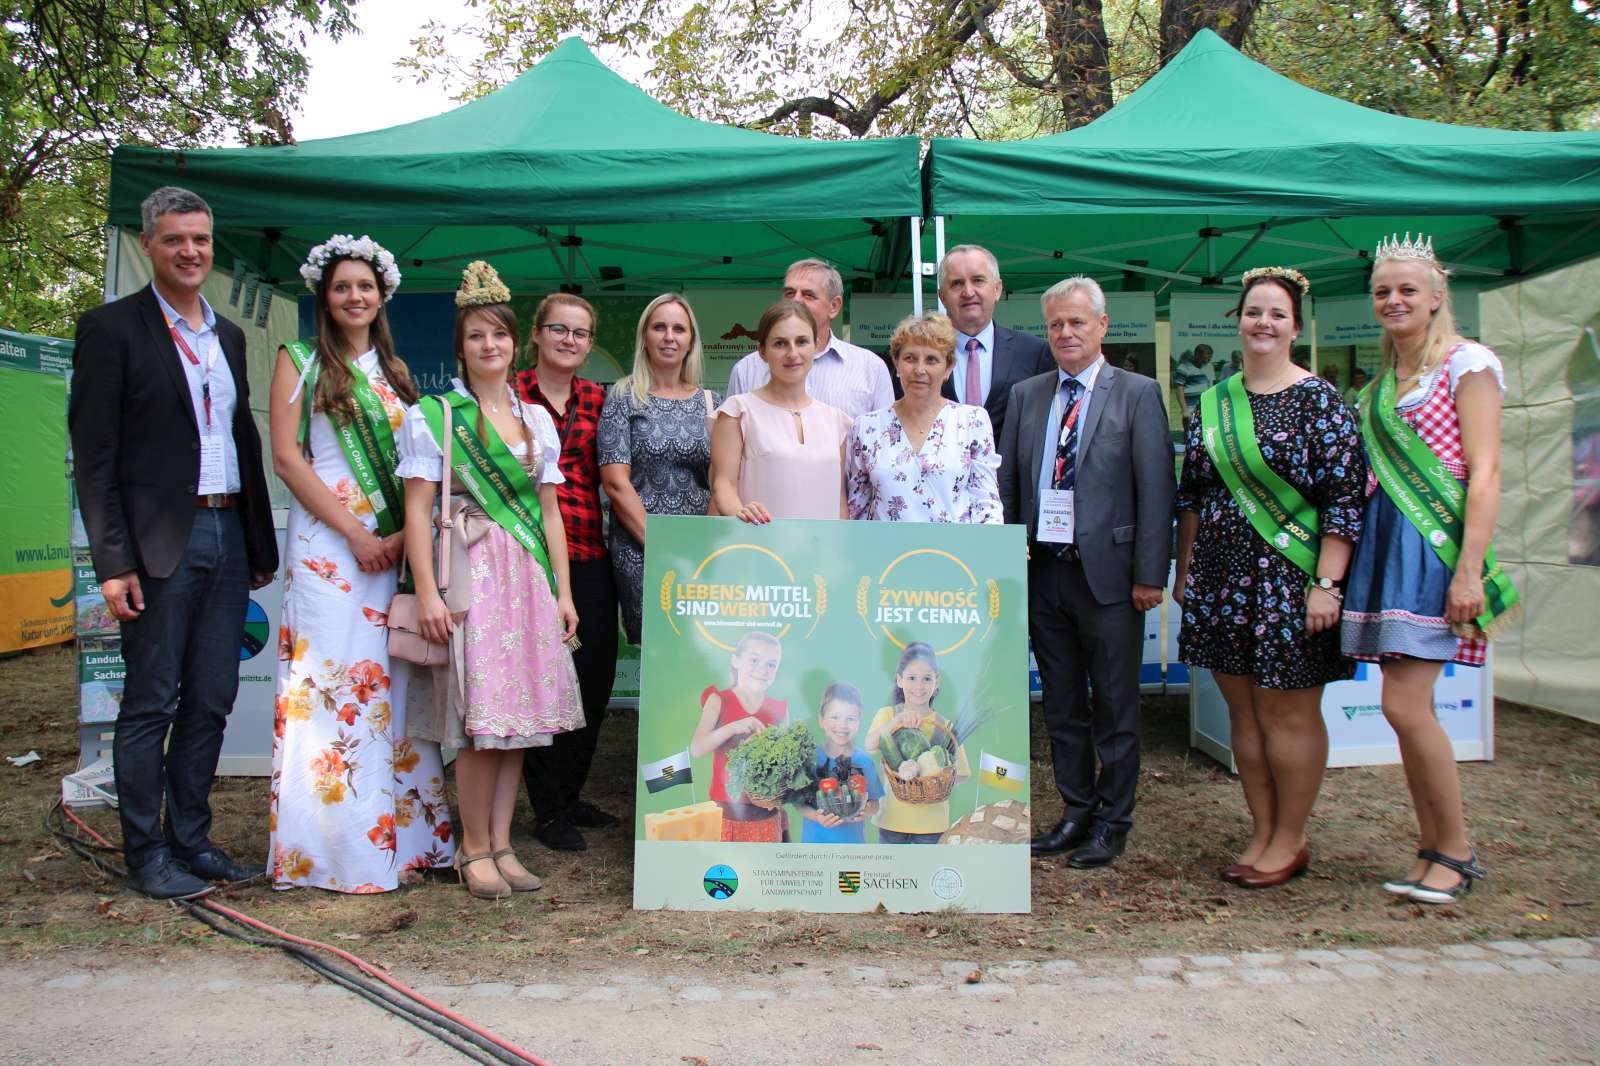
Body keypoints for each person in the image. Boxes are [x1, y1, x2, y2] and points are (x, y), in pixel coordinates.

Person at [69, 186, 278, 900]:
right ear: (149, 244)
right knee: (152, 703)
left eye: (201, 240)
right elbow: (94, 457)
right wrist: (113, 561)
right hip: (160, 544)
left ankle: (192, 840)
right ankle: (146, 853)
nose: (190, 252)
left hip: (225, 533)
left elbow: (240, 442)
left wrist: (256, 544)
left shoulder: (228, 336)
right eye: (174, 240)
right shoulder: (111, 329)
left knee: (213, 699)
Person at [266, 235, 453, 892]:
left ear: (382, 298)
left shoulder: (395, 374)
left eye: (365, 288)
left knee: (389, 695)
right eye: (342, 287)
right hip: (331, 551)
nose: (354, 297)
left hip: (391, 551)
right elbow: (288, 459)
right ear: (325, 295)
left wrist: (403, 536)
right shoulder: (300, 362)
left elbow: (416, 471)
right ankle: (334, 854)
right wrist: (356, 532)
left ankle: (405, 845)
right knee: (334, 692)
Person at [1171, 267, 1366, 890]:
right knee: (1245, 718)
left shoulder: (1321, 401)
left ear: (1295, 327)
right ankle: (1261, 830)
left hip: (1293, 578)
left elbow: (1344, 500)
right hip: (1223, 577)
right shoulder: (1212, 403)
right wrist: (1187, 570)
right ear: (1239, 320)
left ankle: (1291, 836)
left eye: (1277, 315)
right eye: (1254, 312)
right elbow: (1194, 495)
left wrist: (1327, 583)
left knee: (1289, 715)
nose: (1263, 323)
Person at [1341, 233, 1520, 905]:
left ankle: (1457, 852)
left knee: (1404, 704)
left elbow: (1486, 472)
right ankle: (1433, 847)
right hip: (1389, 544)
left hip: (1433, 548)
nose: (1393, 300)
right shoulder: (1383, 385)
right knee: (1402, 708)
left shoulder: (1466, 364)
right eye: (1383, 291)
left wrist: (1469, 569)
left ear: (1438, 296)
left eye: (1407, 290)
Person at [397, 260, 584, 900]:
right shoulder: (435, 416)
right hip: (472, 578)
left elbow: (552, 515)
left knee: (518, 721)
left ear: (515, 342)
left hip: (527, 577)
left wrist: (562, 591)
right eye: (477, 336)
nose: (490, 346)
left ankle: (502, 842)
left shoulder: (537, 421)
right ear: (461, 346)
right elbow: (416, 510)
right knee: (481, 722)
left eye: (499, 335)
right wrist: (427, 592)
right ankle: (470, 848)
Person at [998, 275, 1175, 870]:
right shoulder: (1027, 394)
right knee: (1062, 703)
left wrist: (1151, 575)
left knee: (1116, 705)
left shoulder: (1138, 393)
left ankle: (1112, 821)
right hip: (1045, 573)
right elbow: (1012, 485)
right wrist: (1008, 553)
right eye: (1055, 324)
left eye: (1077, 322)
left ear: (1102, 326)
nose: (1066, 333)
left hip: (1112, 577)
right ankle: (1074, 811)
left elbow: (1157, 490)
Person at [514, 294, 621, 853]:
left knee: (594, 679)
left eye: (581, 334)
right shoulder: (508, 394)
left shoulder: (601, 399)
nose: (570, 341)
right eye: (559, 329)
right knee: (542, 680)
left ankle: (572, 791)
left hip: (589, 554)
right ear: (536, 333)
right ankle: (548, 808)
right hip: (526, 555)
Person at [599, 294, 720, 644]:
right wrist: (661, 548)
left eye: (679, 329)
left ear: (691, 341)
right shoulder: (623, 396)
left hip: (699, 550)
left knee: (701, 645)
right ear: (645, 337)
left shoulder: (712, 402)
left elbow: (721, 481)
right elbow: (615, 482)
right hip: (641, 550)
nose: (669, 336)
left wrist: (700, 548)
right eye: (659, 327)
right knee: (657, 650)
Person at [846, 312, 1002, 525]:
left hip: (953, 555)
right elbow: (858, 507)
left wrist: (997, 550)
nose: (920, 370)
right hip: (887, 556)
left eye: (931, 360)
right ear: (897, 363)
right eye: (910, 358)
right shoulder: (866, 426)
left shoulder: (972, 421)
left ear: (948, 368)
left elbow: (986, 504)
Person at [711, 300, 852, 523]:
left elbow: (839, 501)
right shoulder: (738, 412)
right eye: (780, 344)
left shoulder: (836, 421)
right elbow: (723, 484)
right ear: (762, 351)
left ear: (815, 345)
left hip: (822, 552)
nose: (792, 353)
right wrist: (740, 514)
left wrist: (840, 551)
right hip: (760, 549)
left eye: (802, 342)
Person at [724, 259, 893, 418]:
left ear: (834, 306)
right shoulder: (746, 370)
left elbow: (885, 442)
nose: (796, 300)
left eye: (808, 295)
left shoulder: (871, 368)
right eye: (790, 293)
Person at [935, 244, 1055, 442]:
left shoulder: (1034, 352)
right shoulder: (925, 355)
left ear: (997, 289)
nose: (968, 291)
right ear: (942, 297)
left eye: (978, 280)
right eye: (957, 284)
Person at [863, 643, 970, 844]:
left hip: (932, 824)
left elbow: (963, 775)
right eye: (912, 678)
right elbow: (870, 744)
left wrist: (934, 778)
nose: (919, 686)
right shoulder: (888, 715)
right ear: (899, 680)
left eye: (926, 679)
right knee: (891, 874)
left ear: (936, 682)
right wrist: (897, 722)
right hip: (891, 820)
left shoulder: (946, 726)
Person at [689, 631, 789, 842]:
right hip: (724, 810)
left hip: (765, 813)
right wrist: (734, 727)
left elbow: (786, 763)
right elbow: (697, 749)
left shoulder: (780, 709)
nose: (763, 670)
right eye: (754, 660)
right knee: (724, 871)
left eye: (772, 664)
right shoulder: (718, 700)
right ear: (736, 661)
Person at [799, 683, 883, 845]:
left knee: (850, 873)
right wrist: (817, 817)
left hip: (852, 849)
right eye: (835, 717)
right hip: (813, 848)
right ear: (821, 720)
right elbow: (799, 804)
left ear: (858, 722)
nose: (842, 725)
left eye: (850, 719)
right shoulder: (810, 759)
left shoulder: (864, 762)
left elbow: (876, 804)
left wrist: (866, 809)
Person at [1173, 344, 1215, 420]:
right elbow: (1179, 389)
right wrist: (1184, 409)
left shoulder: (1209, 366)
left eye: (1209, 359)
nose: (1206, 361)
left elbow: (1212, 385)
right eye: (1204, 358)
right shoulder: (1183, 368)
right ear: (1196, 355)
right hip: (1191, 410)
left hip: (1207, 410)